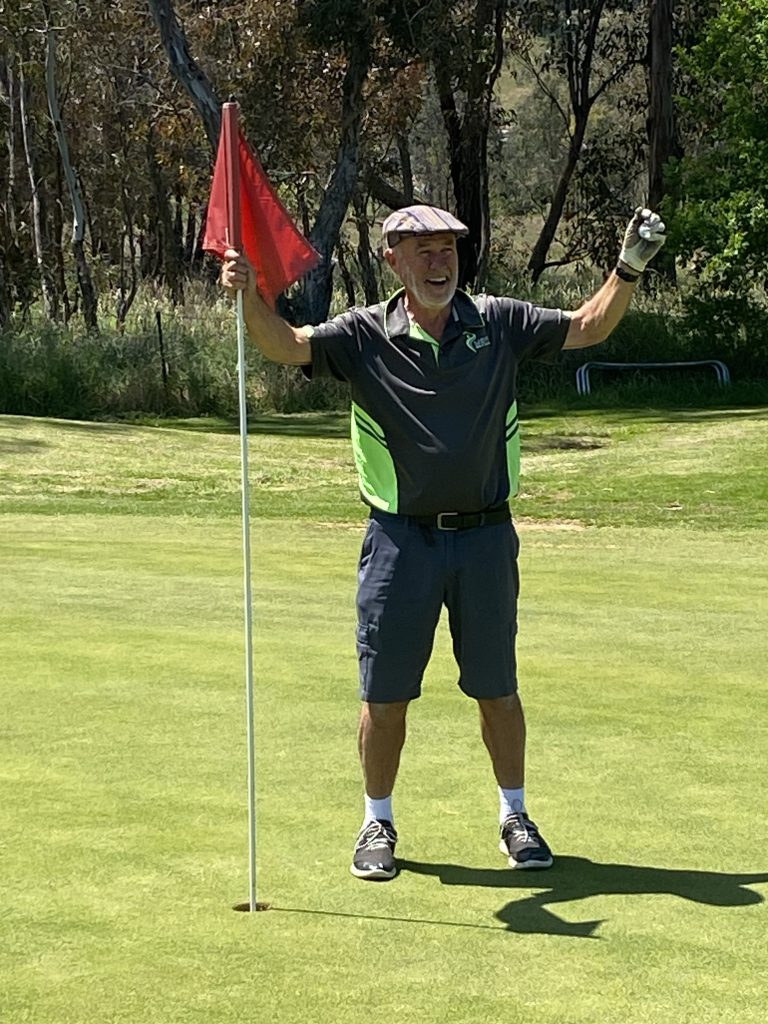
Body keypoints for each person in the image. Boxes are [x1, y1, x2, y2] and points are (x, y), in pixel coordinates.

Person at [221, 203, 666, 881]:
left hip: (486, 539)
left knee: (498, 689)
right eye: (423, 251)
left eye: (448, 250)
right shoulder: (363, 334)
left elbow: (587, 326)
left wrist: (628, 266)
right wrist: (251, 293)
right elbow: (285, 345)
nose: (439, 263)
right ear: (393, 260)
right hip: (399, 543)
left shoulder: (498, 321)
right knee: (385, 696)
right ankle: (377, 820)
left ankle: (515, 816)